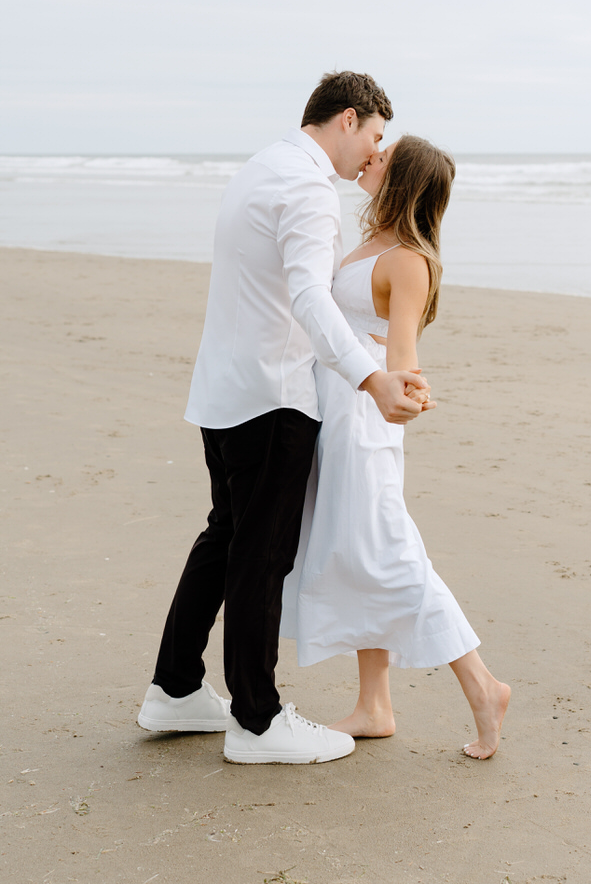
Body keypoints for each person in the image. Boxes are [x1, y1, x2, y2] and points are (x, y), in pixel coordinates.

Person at [137, 72, 432, 766]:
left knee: (228, 536)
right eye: (375, 137)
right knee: (260, 553)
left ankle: (175, 687)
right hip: (271, 395)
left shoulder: (262, 165)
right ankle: (258, 720)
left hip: (224, 388)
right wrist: (370, 376)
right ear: (348, 119)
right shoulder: (306, 187)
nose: (373, 154)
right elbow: (306, 293)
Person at [281, 134, 511, 759]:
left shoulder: (407, 259)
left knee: (387, 553)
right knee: (357, 554)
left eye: (383, 156)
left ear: (402, 178)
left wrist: (408, 389)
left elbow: (401, 349)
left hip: (362, 420)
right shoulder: (370, 245)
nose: (370, 159)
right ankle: (373, 704)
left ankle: (484, 687)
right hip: (336, 410)